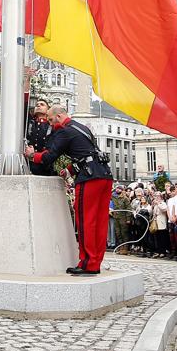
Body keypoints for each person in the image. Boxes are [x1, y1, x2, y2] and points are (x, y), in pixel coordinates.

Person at [26, 104, 113, 274]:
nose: (50, 124)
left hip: (89, 178)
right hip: (104, 175)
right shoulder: (81, 127)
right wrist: (69, 170)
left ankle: (87, 263)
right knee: (100, 222)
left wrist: (31, 155)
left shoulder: (64, 131)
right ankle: (95, 262)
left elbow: (49, 156)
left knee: (85, 220)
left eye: (50, 120)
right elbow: (86, 153)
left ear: (59, 116)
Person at [26, 100, 54, 176]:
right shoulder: (30, 122)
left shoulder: (51, 126)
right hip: (27, 165)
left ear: (48, 110)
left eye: (42, 104)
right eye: (37, 105)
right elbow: (24, 106)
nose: (38, 106)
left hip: (44, 166)